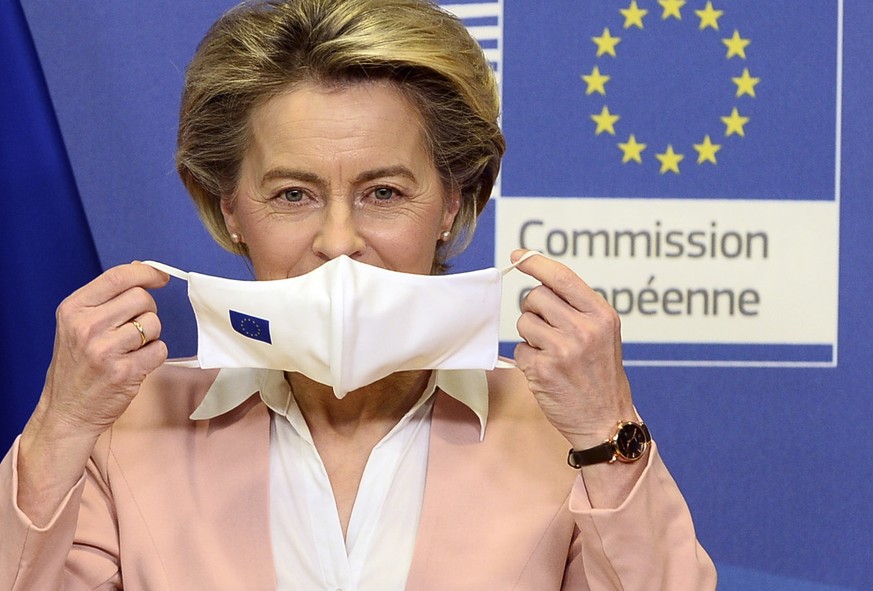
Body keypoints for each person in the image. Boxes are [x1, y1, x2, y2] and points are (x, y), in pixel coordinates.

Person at [0, 0, 717, 588]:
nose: (338, 239)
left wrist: (607, 429)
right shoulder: (124, 428)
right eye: (292, 193)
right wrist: (59, 432)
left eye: (382, 192)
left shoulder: (567, 434)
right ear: (228, 208)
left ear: (451, 202)